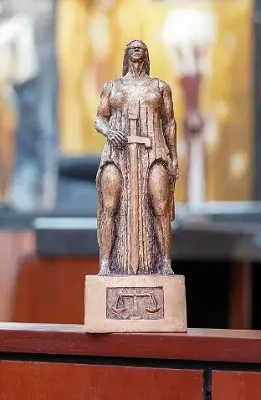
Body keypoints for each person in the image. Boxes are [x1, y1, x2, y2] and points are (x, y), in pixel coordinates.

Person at [94, 40, 178, 276]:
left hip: (154, 151)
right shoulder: (112, 86)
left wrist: (174, 158)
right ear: (126, 55)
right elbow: (100, 118)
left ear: (147, 55)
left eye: (141, 47)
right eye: (132, 47)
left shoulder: (160, 87)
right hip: (117, 154)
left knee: (160, 205)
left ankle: (165, 262)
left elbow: (169, 123)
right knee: (110, 205)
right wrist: (110, 132)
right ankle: (106, 263)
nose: (137, 48)